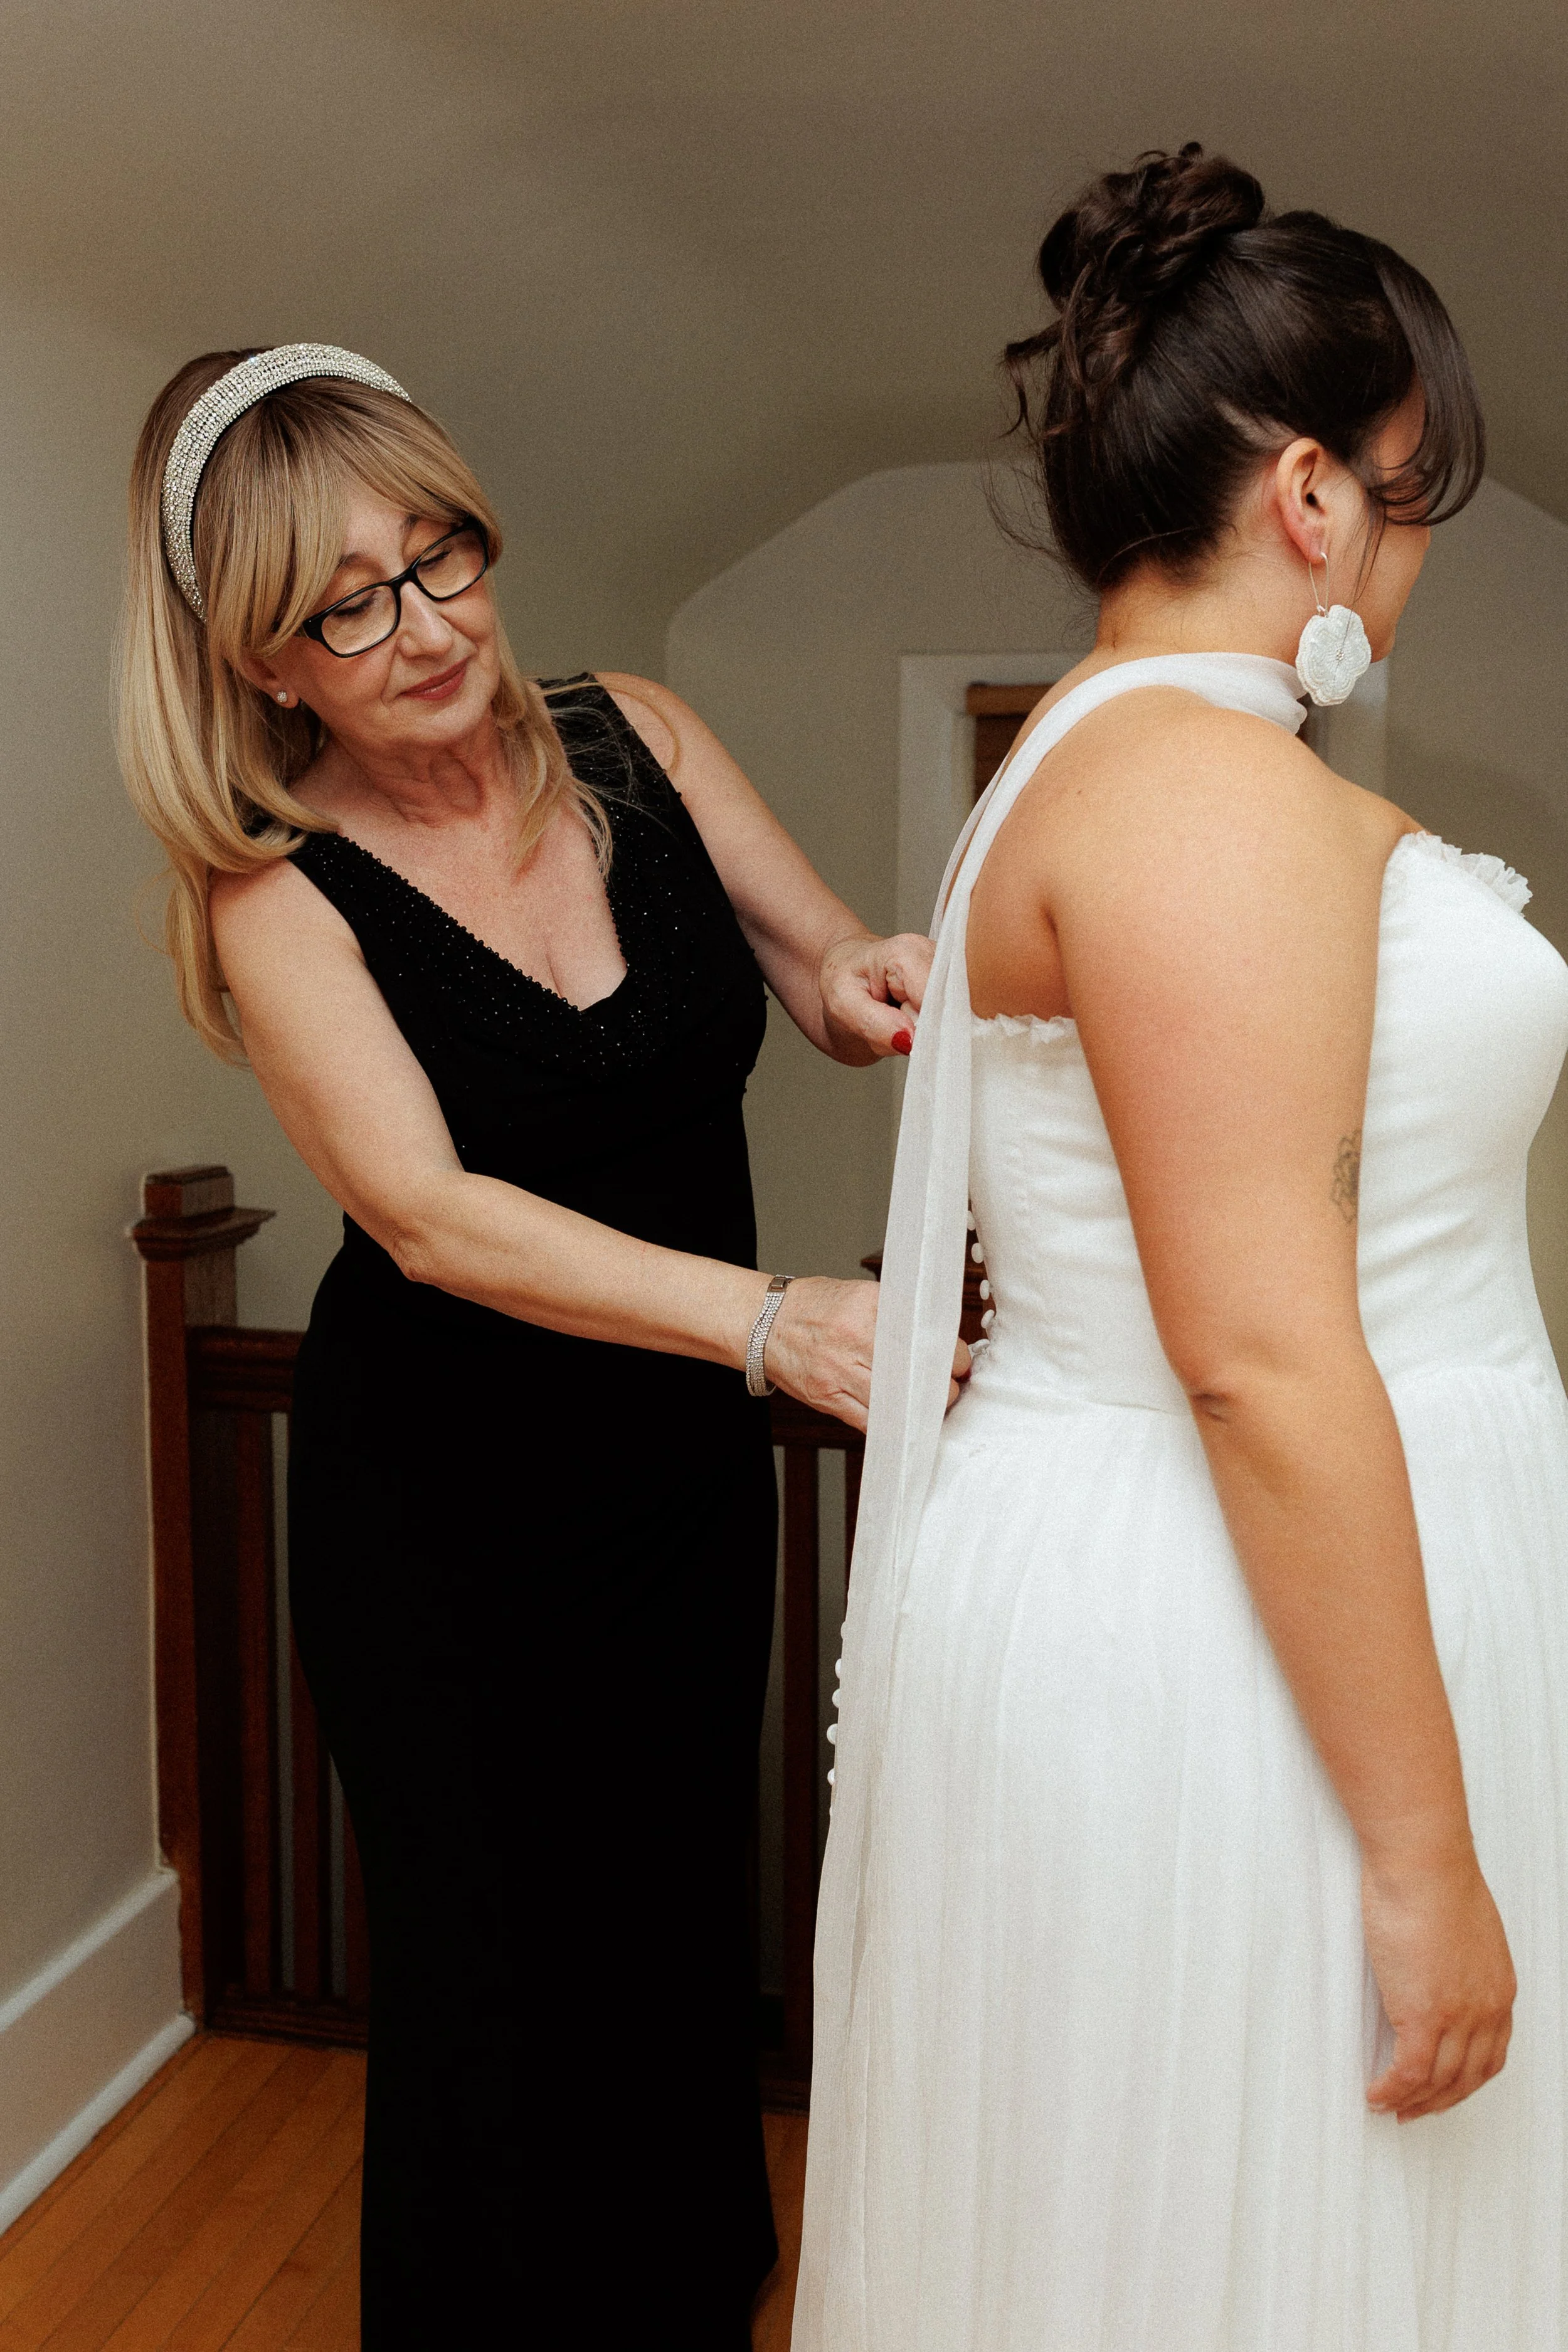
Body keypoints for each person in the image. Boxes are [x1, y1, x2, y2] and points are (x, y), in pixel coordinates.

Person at [797, 146, 1568, 2351]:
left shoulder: (1103, 757)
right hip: (1238, 1627)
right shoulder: (1205, 794)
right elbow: (1256, 1353)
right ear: (1312, 495)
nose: (1412, 554)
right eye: (1412, 497)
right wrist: (1421, 1860)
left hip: (1218, 1571)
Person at [117, 344, 959, 2352]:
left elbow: (820, 966)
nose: (428, 628)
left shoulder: (635, 733)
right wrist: (770, 1324)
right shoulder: (271, 891)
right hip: (447, 1525)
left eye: (443, 557)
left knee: (666, 1949)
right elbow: (428, 1214)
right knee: (497, 2010)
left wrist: (891, 974)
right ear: (259, 660)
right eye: (350, 604)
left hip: (677, 1491)